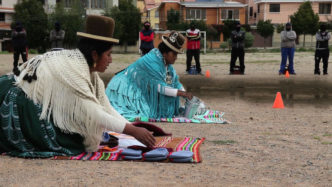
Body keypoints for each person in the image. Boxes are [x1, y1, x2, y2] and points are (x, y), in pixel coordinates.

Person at [0, 15, 155, 158]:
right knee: (66, 141)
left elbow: (105, 107)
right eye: (108, 54)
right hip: (15, 98)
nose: (111, 60)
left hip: (25, 94)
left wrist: (132, 128)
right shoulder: (72, 69)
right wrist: (133, 131)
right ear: (94, 55)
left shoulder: (88, 71)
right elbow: (93, 113)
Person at [106, 31, 193, 119]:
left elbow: (175, 82)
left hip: (136, 87)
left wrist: (185, 93)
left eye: (177, 54)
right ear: (165, 52)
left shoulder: (166, 64)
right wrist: (182, 93)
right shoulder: (152, 62)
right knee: (142, 112)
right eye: (174, 54)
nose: (176, 57)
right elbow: (159, 87)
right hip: (124, 89)